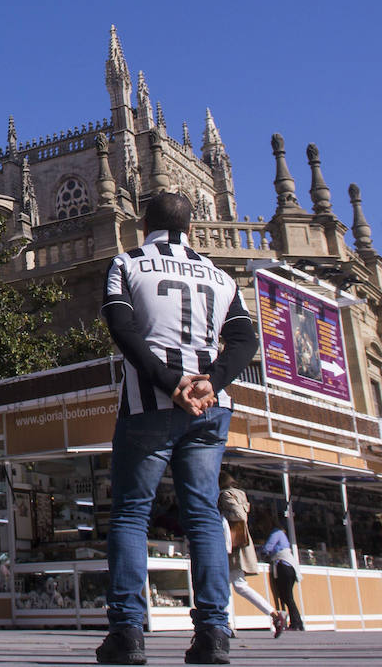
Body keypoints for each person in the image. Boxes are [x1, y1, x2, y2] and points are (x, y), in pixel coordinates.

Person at [95, 192, 258, 667]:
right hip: (210, 408)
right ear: (192, 226)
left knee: (130, 514)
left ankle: (126, 633)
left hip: (149, 405)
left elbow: (122, 328)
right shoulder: (221, 276)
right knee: (204, 514)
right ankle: (213, 632)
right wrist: (211, 382)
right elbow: (246, 338)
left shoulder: (127, 263)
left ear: (144, 224)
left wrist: (170, 381)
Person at [217, 473, 284, 637]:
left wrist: (223, 515)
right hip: (238, 542)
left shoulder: (225, 495)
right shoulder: (240, 494)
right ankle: (228, 623)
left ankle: (272, 615)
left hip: (230, 545)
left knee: (234, 585)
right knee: (232, 585)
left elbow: (238, 515)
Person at [261, 518, 304, 631]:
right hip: (290, 566)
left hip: (283, 566)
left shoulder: (276, 533)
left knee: (286, 596)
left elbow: (267, 548)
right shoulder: (282, 533)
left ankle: (296, 623)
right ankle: (297, 622)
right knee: (288, 596)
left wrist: (263, 552)